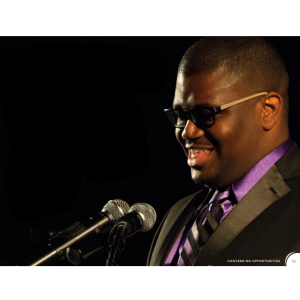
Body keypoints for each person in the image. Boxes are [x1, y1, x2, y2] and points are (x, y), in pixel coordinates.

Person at [147, 37, 300, 266]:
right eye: (181, 116)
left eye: (205, 114)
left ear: (268, 110)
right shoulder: (176, 214)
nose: (187, 132)